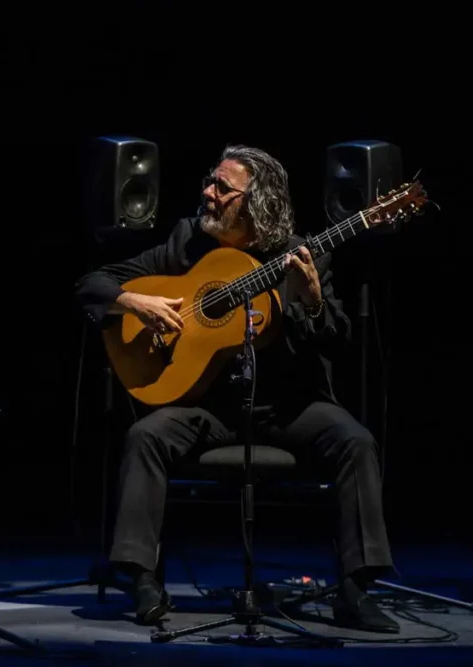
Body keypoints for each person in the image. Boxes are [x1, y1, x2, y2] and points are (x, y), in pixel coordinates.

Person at [74, 145, 398, 633]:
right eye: (211, 181)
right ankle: (142, 581)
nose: (207, 192)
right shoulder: (186, 242)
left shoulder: (304, 252)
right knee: (145, 437)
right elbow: (91, 285)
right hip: (208, 408)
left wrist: (311, 303)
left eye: (222, 188)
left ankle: (354, 589)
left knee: (355, 441)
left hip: (288, 408)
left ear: (257, 204)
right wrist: (132, 301)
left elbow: (338, 339)